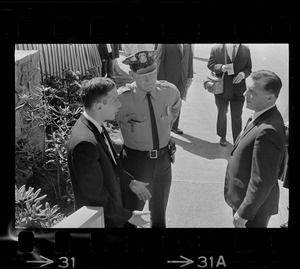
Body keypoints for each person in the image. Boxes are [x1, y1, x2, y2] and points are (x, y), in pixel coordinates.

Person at [67, 77, 151, 228]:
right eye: (115, 101)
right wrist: (129, 216)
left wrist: (130, 182)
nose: (119, 104)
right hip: (102, 221)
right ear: (99, 106)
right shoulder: (84, 144)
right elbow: (95, 196)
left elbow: (109, 164)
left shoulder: (95, 124)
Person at [116, 50, 182, 228]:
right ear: (132, 75)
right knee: (131, 215)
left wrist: (166, 126)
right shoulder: (121, 99)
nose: (150, 80)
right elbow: (107, 125)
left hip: (163, 162)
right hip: (135, 163)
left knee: (159, 217)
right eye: (143, 76)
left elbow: (176, 107)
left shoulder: (169, 91)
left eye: (153, 74)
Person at [224, 70, 286, 228]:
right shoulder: (260, 114)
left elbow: (263, 180)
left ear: (270, 98)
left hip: (253, 212)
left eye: (252, 91)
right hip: (245, 200)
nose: (245, 94)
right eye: (246, 88)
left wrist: (244, 213)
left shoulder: (268, 130)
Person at [207, 43, 252, 146]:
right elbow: (210, 64)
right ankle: (222, 136)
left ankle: (237, 139)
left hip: (239, 90)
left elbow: (249, 68)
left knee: (237, 115)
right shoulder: (216, 49)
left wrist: (242, 74)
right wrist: (221, 67)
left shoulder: (245, 49)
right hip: (221, 89)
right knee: (222, 113)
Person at [156, 44, 194, 135]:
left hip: (182, 78)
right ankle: (162, 128)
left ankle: (174, 126)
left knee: (178, 103)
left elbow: (190, 59)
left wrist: (189, 76)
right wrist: (161, 80)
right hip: (168, 79)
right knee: (165, 104)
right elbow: (159, 60)